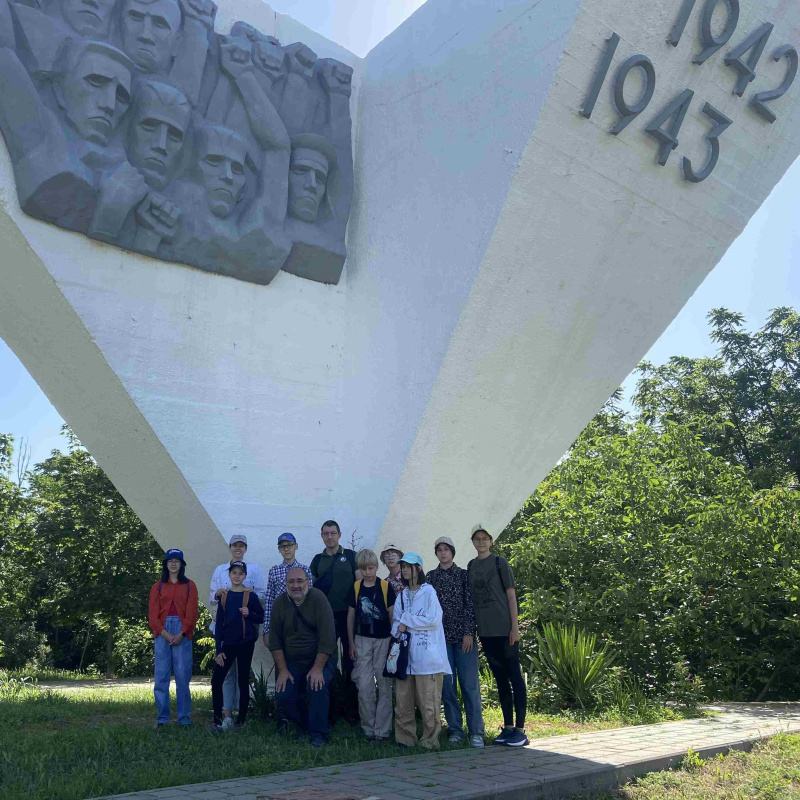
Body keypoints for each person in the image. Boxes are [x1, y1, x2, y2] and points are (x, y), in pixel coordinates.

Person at [468, 524, 528, 747]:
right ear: (472, 542)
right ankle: (508, 727)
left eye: (485, 538)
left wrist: (515, 627)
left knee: (514, 677)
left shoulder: (499, 562)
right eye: (477, 539)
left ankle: (521, 730)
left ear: (491, 541)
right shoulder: (471, 565)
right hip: (486, 631)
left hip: (505, 629)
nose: (481, 542)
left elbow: (511, 594)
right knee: (500, 679)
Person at [269, 567, 337, 747]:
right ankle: (302, 726)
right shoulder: (279, 603)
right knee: (284, 691)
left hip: (320, 659)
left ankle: (318, 733)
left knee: (316, 685)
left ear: (308, 582)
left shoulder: (318, 599)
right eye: (291, 582)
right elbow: (274, 641)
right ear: (286, 584)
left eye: (300, 581)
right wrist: (282, 670)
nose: (296, 586)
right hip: (292, 662)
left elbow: (328, 638)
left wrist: (317, 668)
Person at [427, 536, 485, 747]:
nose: (443, 553)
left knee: (470, 685)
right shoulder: (431, 577)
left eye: (446, 549)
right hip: (442, 641)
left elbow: (470, 605)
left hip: (464, 640)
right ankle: (455, 729)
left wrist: (469, 633)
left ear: (452, 552)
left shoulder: (463, 575)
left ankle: (476, 731)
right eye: (439, 550)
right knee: (448, 687)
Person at [392, 552, 451, 750]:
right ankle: (405, 738)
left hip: (427, 657)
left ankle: (430, 739)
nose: (405, 569)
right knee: (403, 700)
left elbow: (433, 620)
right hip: (405, 657)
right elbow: (395, 624)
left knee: (429, 701)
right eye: (403, 566)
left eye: (409, 566)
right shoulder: (401, 595)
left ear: (418, 568)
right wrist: (400, 625)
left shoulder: (429, 592)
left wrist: (407, 621)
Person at [208, 535, 265, 730]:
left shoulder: (251, 596)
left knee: (243, 680)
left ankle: (241, 721)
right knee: (217, 681)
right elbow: (219, 625)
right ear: (230, 575)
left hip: (246, 644)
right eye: (234, 573)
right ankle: (217, 720)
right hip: (228, 645)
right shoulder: (224, 596)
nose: (237, 576)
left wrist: (249, 614)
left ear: (245, 575)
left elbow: (261, 616)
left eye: (241, 573)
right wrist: (218, 649)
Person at [347, 549, 396, 742]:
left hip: (384, 640)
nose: (367, 572)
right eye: (363, 568)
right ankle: (368, 728)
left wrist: (394, 642)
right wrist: (351, 642)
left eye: (371, 568)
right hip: (362, 640)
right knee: (365, 685)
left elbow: (392, 614)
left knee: (384, 684)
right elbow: (351, 616)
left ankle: (382, 730)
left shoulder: (385, 586)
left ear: (376, 567)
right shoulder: (356, 588)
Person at [148, 548, 198, 727]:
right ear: (166, 564)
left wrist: (182, 633)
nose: (174, 563)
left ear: (182, 564)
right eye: (170, 560)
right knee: (161, 677)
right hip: (162, 632)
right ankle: (162, 718)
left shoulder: (190, 585)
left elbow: (192, 613)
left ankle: (184, 719)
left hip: (182, 632)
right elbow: (153, 616)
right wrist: (164, 633)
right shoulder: (158, 586)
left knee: (182, 676)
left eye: (177, 560)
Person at [262, 532, 314, 688]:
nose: (287, 549)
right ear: (279, 550)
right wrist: (266, 630)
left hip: (302, 626)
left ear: (295, 546)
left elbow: (311, 600)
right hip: (281, 624)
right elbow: (269, 601)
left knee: (303, 665)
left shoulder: (305, 571)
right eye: (283, 547)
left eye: (289, 546)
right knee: (282, 665)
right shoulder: (274, 571)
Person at [310, 520, 360, 680]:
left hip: (349, 615)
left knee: (350, 657)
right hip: (326, 616)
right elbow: (311, 591)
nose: (329, 537)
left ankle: (350, 696)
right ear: (322, 536)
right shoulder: (317, 560)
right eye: (326, 534)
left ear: (339, 535)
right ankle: (331, 696)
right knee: (327, 656)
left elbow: (360, 585)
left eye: (333, 533)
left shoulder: (351, 556)